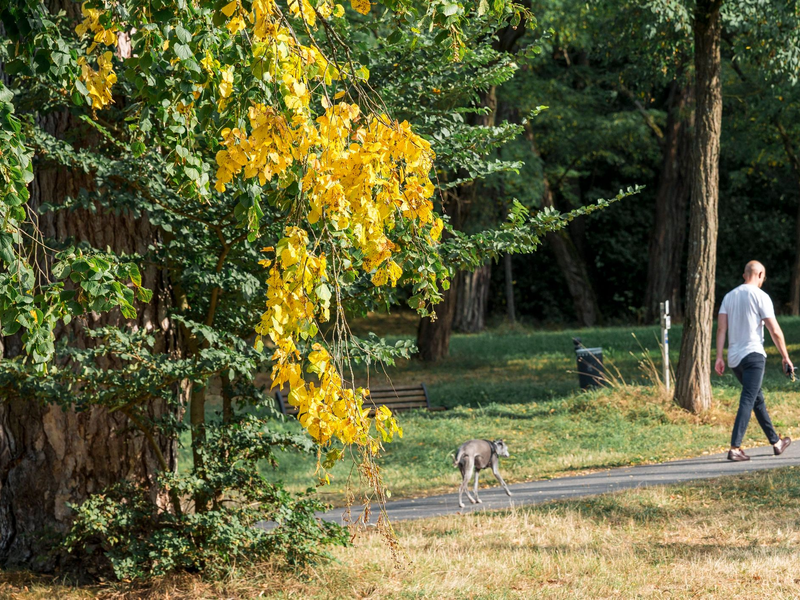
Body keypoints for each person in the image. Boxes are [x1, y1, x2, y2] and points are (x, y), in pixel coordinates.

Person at [715, 260, 792, 461]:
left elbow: (721, 329)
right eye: (763, 278)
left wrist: (719, 357)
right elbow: (774, 330)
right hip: (754, 356)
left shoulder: (728, 297)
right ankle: (735, 448)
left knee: (757, 399)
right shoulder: (761, 296)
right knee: (748, 399)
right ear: (759, 275)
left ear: (744, 275)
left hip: (734, 359)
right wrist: (785, 356)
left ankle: (776, 442)